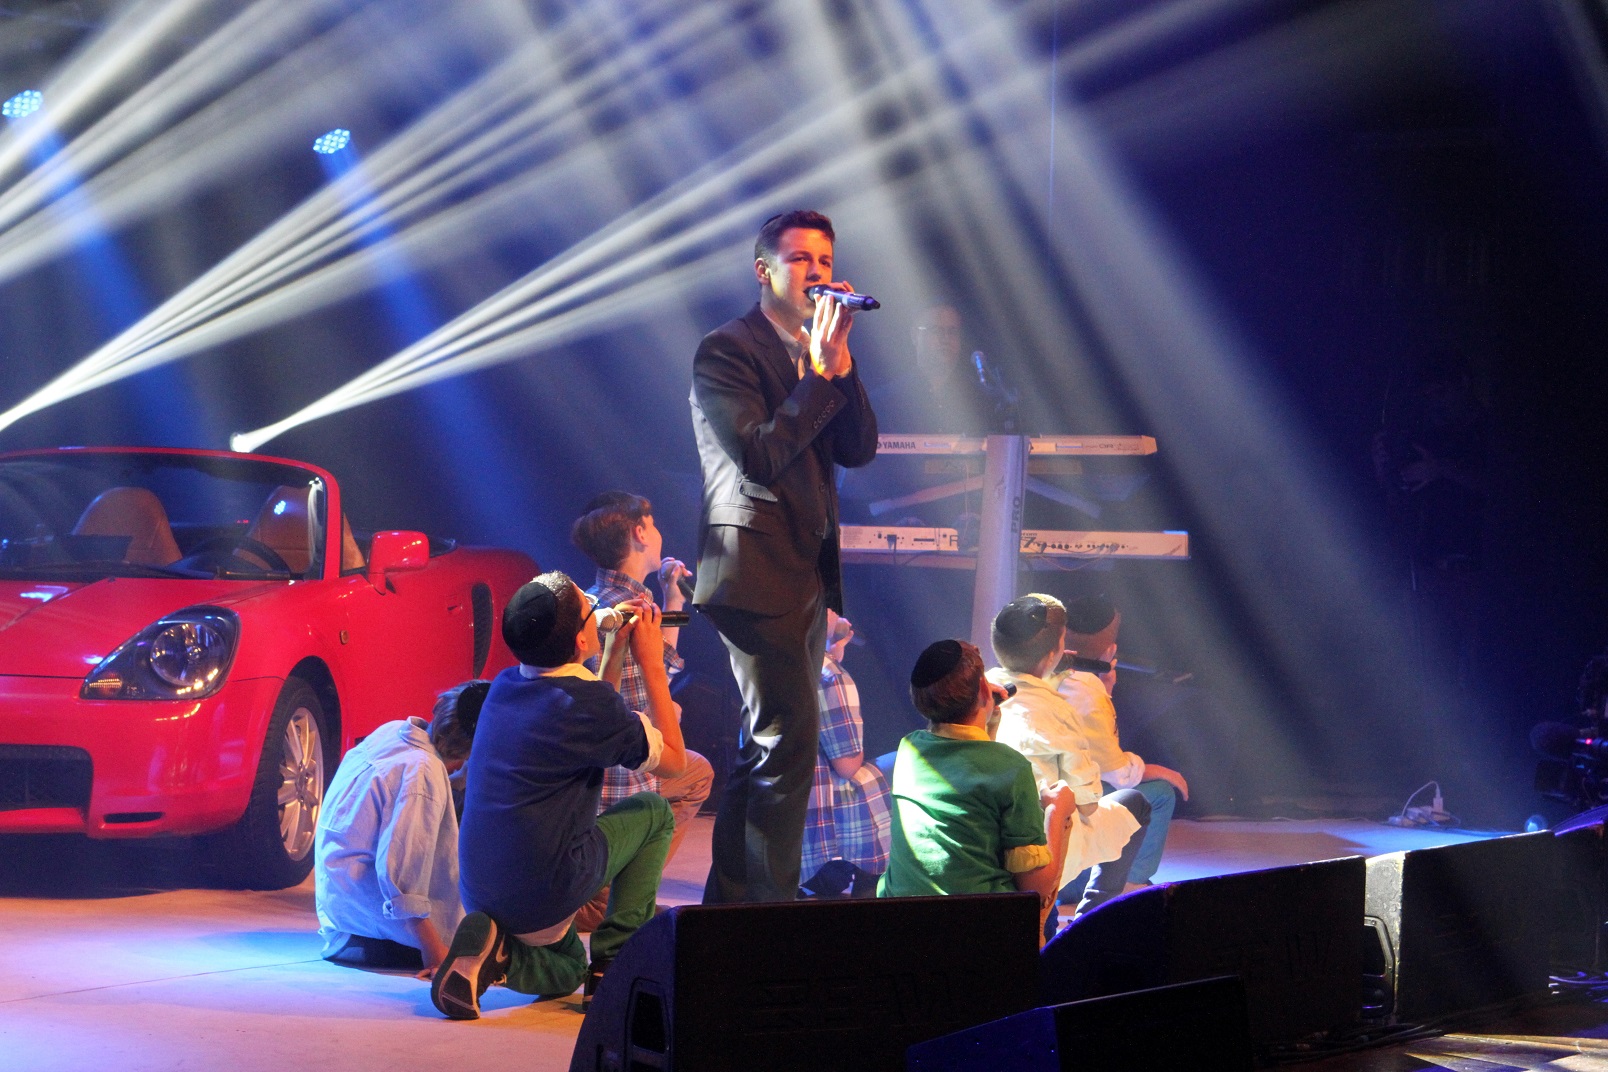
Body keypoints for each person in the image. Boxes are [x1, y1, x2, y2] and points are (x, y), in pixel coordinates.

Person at [690, 209, 879, 904]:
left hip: (803, 573)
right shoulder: (727, 350)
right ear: (763, 270)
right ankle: (770, 918)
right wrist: (820, 376)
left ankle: (729, 910)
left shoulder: (819, 352)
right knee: (790, 741)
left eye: (824, 261)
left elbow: (859, 449)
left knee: (763, 744)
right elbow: (760, 456)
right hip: (750, 569)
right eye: (800, 259)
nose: (816, 273)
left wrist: (840, 367)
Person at [432, 572, 686, 1020]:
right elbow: (675, 761)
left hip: (481, 890)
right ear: (582, 640)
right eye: (590, 608)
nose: (597, 610)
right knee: (655, 812)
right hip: (545, 891)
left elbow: (595, 715)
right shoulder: (586, 707)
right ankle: (613, 965)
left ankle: (497, 952)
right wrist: (651, 662)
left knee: (568, 968)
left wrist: (613, 649)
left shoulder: (504, 687)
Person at [569, 492, 715, 930]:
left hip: (593, 778)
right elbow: (644, 696)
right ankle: (614, 893)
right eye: (653, 525)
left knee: (698, 772)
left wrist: (673, 598)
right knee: (685, 769)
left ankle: (617, 883)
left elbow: (656, 667)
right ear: (639, 533)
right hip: (618, 780)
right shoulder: (628, 607)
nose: (658, 533)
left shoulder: (595, 598)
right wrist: (665, 710)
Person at [880, 638, 1077, 944]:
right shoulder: (1011, 767)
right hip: (976, 930)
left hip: (901, 921)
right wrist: (1057, 810)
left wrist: (986, 713)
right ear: (985, 690)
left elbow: (969, 766)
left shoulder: (909, 748)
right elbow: (1035, 888)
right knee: (1058, 832)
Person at [986, 594, 1150, 924]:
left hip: (990, 836)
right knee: (1135, 804)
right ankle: (1093, 917)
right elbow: (1087, 803)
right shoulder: (1059, 710)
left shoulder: (984, 690)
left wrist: (1052, 674)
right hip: (1041, 840)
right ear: (1054, 653)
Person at [314, 680, 488, 976]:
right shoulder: (423, 773)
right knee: (492, 937)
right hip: (371, 935)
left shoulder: (395, 732)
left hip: (342, 913)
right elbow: (402, 875)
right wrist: (436, 956)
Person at [1052, 595, 1187, 891]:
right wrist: (1159, 771)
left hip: (1037, 831)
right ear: (1110, 650)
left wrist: (1105, 690)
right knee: (1159, 793)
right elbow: (1116, 772)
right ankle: (1129, 885)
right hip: (1061, 849)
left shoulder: (1024, 675)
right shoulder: (1087, 692)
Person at [800, 610, 892, 898]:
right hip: (819, 804)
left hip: (789, 796)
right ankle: (870, 881)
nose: (834, 612)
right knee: (901, 766)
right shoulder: (830, 675)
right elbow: (847, 766)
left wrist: (830, 650)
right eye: (827, 607)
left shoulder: (776, 659)